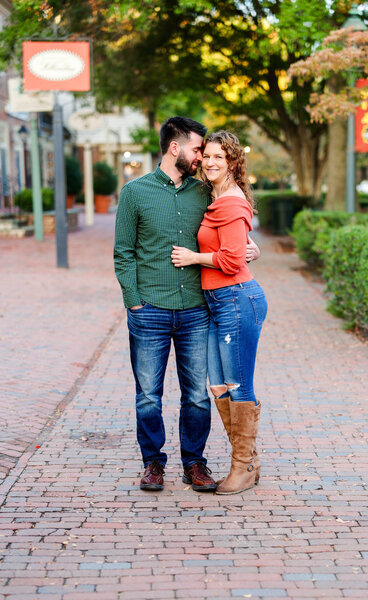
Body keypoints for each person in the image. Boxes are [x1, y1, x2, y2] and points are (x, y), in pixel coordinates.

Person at [114, 117, 259, 493]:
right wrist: (133, 302)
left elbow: (232, 226)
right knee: (148, 394)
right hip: (150, 310)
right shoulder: (135, 192)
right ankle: (152, 464)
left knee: (197, 394)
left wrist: (250, 249)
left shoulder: (204, 192)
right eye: (198, 149)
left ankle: (194, 463)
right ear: (174, 148)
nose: (201, 158)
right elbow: (123, 253)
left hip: (197, 310)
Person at [171, 130, 268, 495]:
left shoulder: (230, 201)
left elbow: (229, 261)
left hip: (236, 299)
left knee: (239, 384)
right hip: (218, 302)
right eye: (207, 156)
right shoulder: (216, 196)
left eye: (219, 157)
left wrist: (194, 257)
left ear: (232, 162)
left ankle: (242, 468)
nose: (211, 162)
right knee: (217, 384)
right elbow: (238, 244)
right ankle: (250, 459)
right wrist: (249, 245)